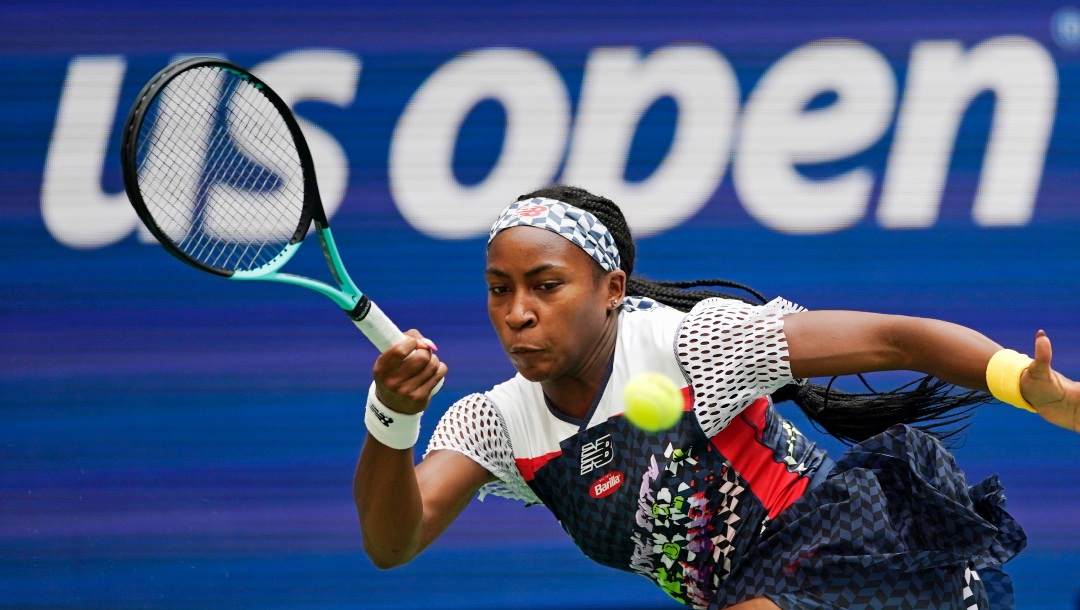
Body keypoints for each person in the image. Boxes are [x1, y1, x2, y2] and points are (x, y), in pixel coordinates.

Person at [353, 185, 1078, 610]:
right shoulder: (497, 424)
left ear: (611, 290)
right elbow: (392, 542)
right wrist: (394, 417)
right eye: (498, 289)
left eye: (546, 286)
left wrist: (1029, 386)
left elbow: (897, 340)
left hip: (860, 552)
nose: (518, 312)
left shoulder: (693, 345)